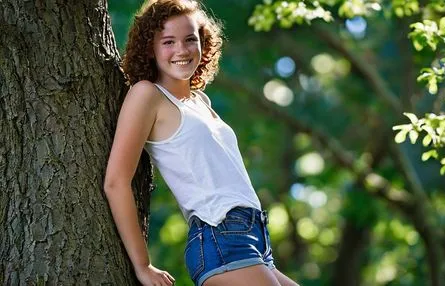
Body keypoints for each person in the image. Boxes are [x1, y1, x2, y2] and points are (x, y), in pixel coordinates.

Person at [104, 0, 299, 285]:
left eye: (189, 39)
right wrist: (143, 265)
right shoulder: (147, 95)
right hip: (219, 235)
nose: (181, 50)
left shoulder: (201, 101)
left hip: (254, 237)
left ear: (203, 43)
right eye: (168, 42)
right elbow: (116, 181)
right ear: (150, 48)